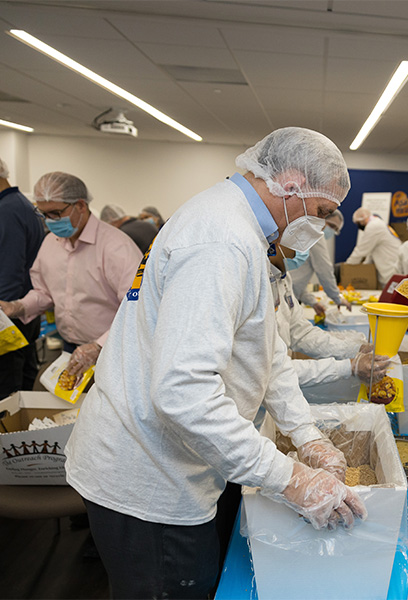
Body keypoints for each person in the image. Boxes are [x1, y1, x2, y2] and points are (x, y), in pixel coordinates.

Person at [64, 128, 367, 599]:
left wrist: (308, 436)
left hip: (177, 462)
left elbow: (267, 350)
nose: (323, 225)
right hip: (150, 477)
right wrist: (289, 478)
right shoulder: (222, 240)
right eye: (323, 211)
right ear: (289, 183)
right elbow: (183, 393)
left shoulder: (244, 230)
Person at [0, 172, 142, 380]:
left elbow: (137, 308)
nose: (50, 221)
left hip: (113, 350)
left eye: (56, 213)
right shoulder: (51, 244)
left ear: (81, 206)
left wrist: (98, 346)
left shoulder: (116, 247)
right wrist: (17, 307)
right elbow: (44, 292)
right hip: (71, 348)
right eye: (44, 214)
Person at [274, 246, 390, 390]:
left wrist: (355, 349)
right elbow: (273, 371)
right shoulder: (256, 277)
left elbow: (301, 333)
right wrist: (349, 367)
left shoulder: (281, 274)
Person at [0, 157, 45, 399]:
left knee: (7, 387)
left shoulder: (7, 211)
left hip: (10, 313)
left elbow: (9, 270)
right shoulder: (21, 205)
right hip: (24, 312)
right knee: (23, 376)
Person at [291, 210, 351, 317]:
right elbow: (325, 271)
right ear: (322, 219)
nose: (332, 230)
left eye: (335, 229)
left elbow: (296, 278)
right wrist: (337, 297)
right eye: (331, 225)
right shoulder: (316, 235)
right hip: (286, 296)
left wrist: (312, 302)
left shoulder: (305, 231)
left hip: (288, 294)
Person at [346, 207, 402, 288]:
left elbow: (361, 250)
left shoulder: (373, 226)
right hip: (391, 266)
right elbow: (371, 251)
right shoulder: (378, 223)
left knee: (391, 297)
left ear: (362, 219)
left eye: (358, 223)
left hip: (391, 268)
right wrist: (364, 266)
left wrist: (347, 267)